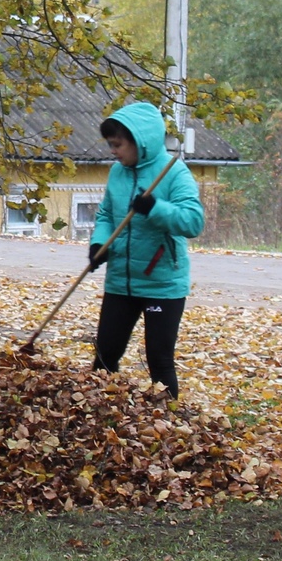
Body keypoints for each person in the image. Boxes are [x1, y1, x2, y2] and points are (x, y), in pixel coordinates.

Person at [87, 101, 206, 399]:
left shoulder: (173, 173)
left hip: (162, 286)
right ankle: (96, 416)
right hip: (121, 282)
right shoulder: (118, 174)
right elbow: (105, 215)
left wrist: (155, 207)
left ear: (140, 142)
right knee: (104, 357)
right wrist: (100, 244)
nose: (113, 151)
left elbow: (193, 222)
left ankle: (170, 423)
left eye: (118, 145)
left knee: (159, 360)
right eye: (111, 145)